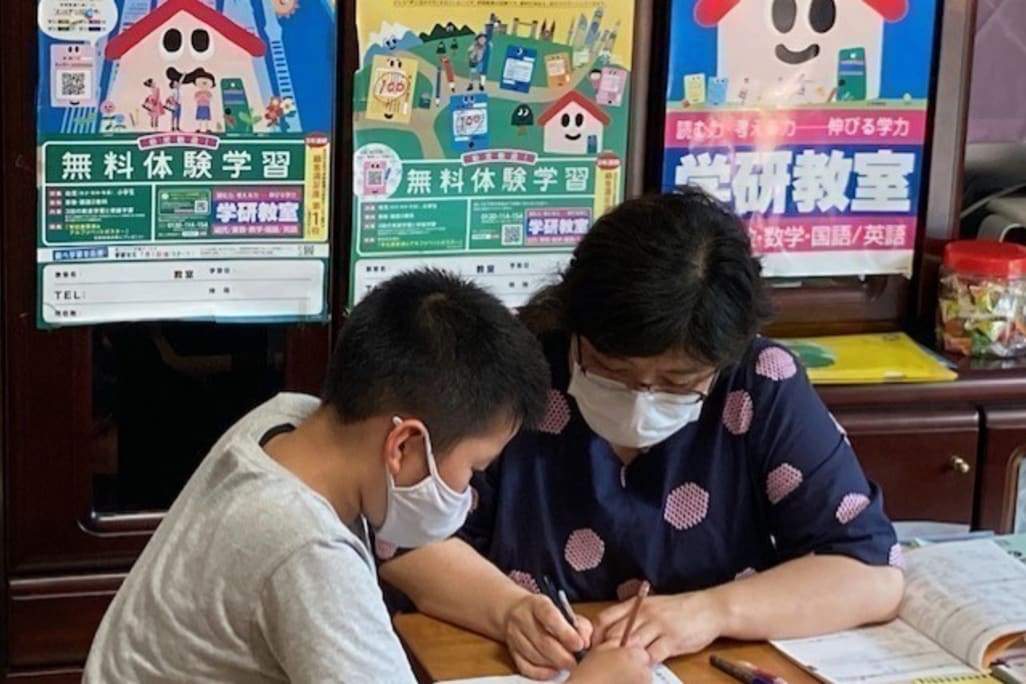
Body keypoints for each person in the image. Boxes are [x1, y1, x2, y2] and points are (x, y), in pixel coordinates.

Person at [380, 191, 906, 680]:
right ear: (574, 325)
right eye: (612, 369)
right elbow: (404, 539)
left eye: (678, 382)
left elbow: (870, 571)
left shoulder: (760, 383)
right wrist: (509, 610)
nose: (641, 397)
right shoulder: (512, 371)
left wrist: (710, 611)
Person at [83, 269, 650, 683]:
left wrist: (511, 609)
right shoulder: (305, 550)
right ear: (403, 444)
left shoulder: (290, 422)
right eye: (474, 470)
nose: (468, 494)